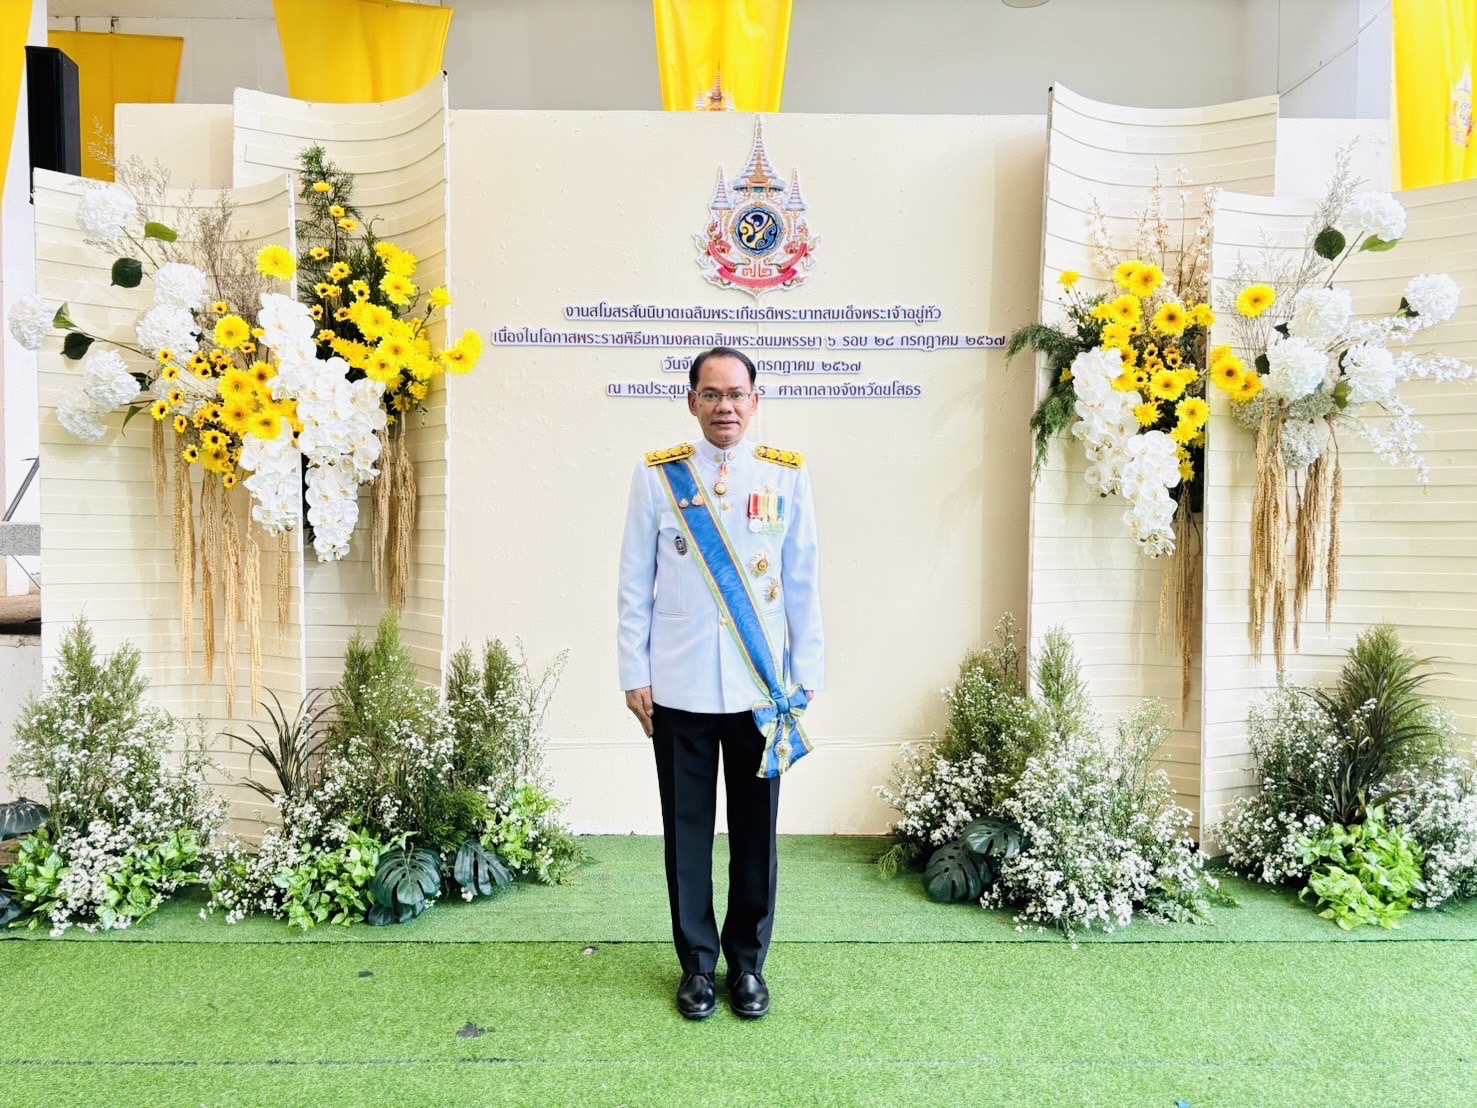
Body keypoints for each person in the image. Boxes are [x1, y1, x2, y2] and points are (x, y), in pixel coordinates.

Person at [616, 346, 824, 1020]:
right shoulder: (659, 479)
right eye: (711, 394)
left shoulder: (786, 477)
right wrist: (633, 670)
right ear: (691, 401)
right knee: (686, 830)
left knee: (756, 831)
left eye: (736, 394)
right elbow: (632, 584)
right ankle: (697, 967)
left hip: (761, 690)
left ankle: (749, 966)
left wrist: (806, 670)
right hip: (677, 685)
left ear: (755, 401)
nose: (724, 406)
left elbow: (801, 580)